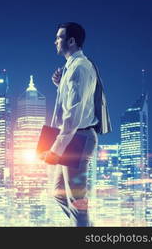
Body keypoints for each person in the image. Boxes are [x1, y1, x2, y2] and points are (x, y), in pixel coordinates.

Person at [39, 22, 111, 227]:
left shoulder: (79, 68)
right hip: (74, 137)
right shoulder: (72, 67)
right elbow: (74, 103)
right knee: (58, 193)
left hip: (78, 138)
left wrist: (56, 149)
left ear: (71, 41)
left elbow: (74, 113)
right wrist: (60, 84)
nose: (55, 41)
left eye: (59, 37)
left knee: (76, 202)